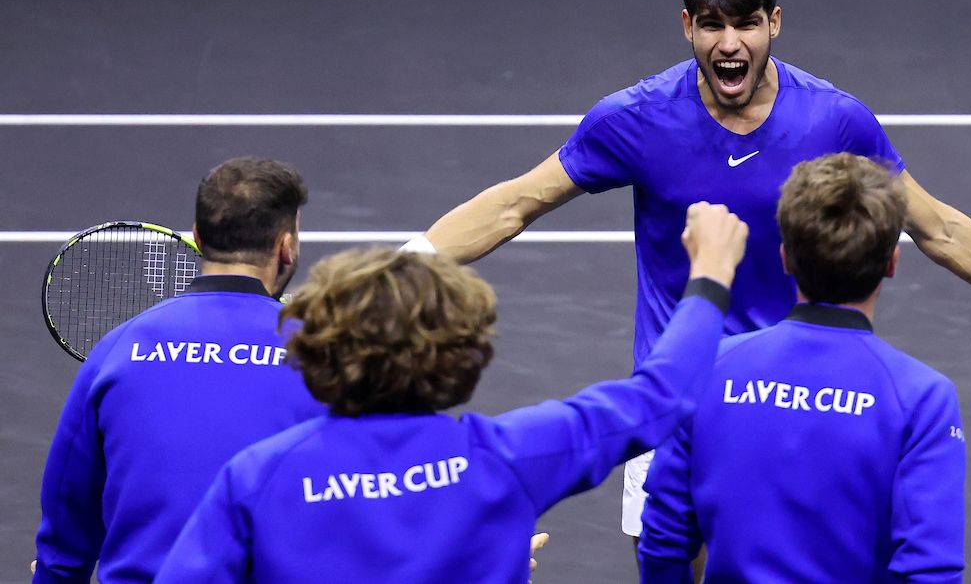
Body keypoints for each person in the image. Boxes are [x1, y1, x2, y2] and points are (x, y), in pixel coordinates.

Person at [404, 0, 971, 539]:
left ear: (774, 24)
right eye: (711, 23)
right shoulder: (635, 119)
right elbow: (515, 204)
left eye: (746, 23)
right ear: (688, 27)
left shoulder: (833, 121)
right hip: (679, 396)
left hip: (791, 405)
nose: (729, 44)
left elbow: (939, 228)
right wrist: (398, 271)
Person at [154, 202, 747, 583]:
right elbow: (661, 396)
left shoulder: (256, 478)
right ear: (462, 352)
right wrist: (710, 277)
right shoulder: (509, 459)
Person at [639, 152, 965, 582]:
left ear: (785, 258)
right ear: (891, 264)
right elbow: (930, 573)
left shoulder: (707, 367)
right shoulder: (922, 398)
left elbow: (663, 537)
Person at [33, 157, 323, 583]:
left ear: (198, 238)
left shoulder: (120, 346)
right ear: (286, 246)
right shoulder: (324, 357)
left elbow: (66, 506)